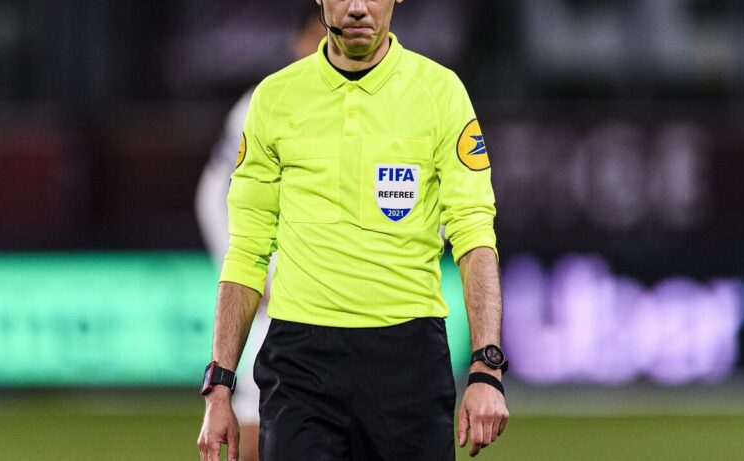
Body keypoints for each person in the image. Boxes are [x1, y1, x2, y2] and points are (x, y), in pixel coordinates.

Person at [197, 1, 509, 460]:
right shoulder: (273, 99)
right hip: (300, 362)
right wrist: (220, 385)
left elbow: (474, 235)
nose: (359, 7)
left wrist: (486, 368)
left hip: (408, 360)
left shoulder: (440, 93)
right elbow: (247, 250)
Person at [194, 8, 326, 461]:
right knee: (254, 422)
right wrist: (252, 275)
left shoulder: (373, 106)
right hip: (278, 293)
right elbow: (214, 192)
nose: (322, 45)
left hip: (341, 298)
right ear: (296, 42)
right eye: (315, 34)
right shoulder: (262, 104)